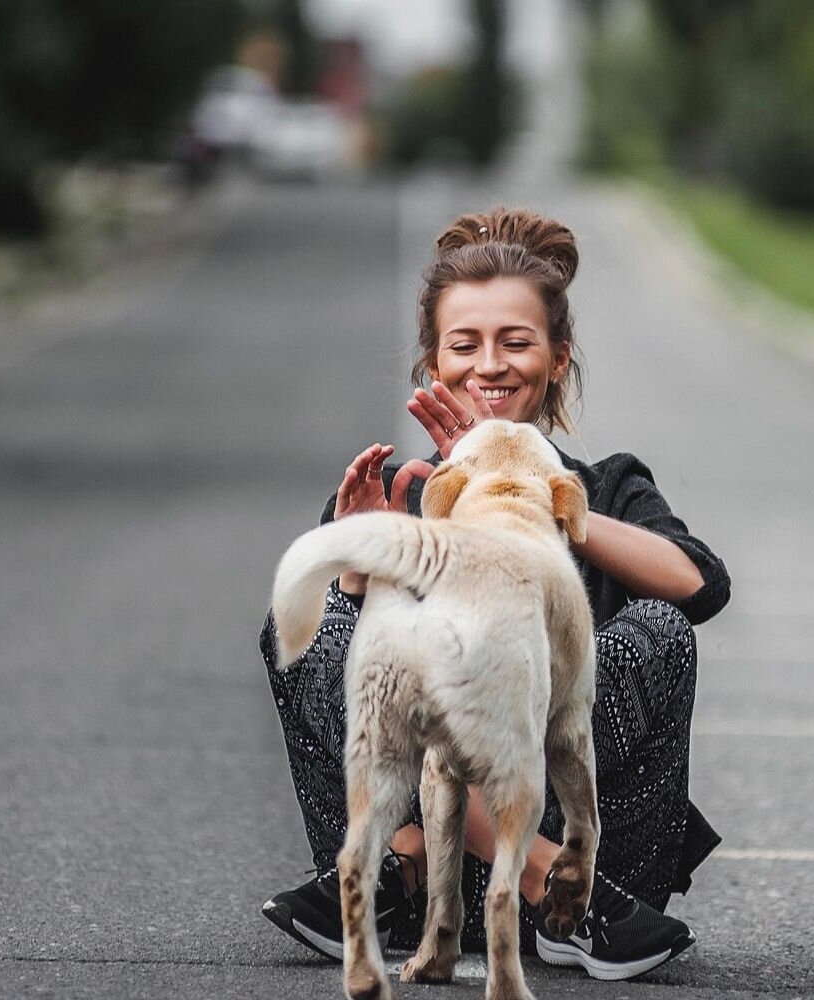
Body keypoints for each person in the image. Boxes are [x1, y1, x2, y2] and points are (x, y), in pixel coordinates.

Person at [259, 207, 730, 981]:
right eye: (464, 345)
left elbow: (697, 583)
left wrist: (534, 496)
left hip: (591, 861)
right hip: (417, 842)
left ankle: (555, 882)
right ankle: (396, 878)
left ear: (556, 357)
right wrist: (359, 565)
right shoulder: (409, 491)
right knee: (317, 624)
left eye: (516, 342)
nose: (490, 366)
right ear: (432, 363)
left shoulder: (603, 485)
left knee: (660, 627)